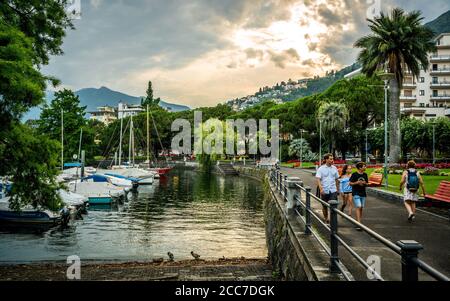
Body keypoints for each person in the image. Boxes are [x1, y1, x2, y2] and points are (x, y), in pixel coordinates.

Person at [316, 154, 340, 224]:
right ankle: (326, 218)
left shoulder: (334, 168)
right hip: (324, 190)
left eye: (332, 159)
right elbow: (318, 179)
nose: (332, 160)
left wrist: (338, 189)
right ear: (326, 159)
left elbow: (337, 179)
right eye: (330, 159)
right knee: (325, 206)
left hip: (333, 190)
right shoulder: (321, 169)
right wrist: (321, 189)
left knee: (333, 206)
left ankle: (333, 220)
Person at [349, 162, 369, 230]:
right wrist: (356, 183)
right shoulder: (354, 174)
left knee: (361, 208)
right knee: (359, 206)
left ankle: (359, 220)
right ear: (360, 167)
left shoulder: (365, 174)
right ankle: (359, 223)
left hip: (363, 193)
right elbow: (350, 183)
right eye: (364, 166)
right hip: (356, 193)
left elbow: (367, 183)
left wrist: (364, 183)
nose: (365, 167)